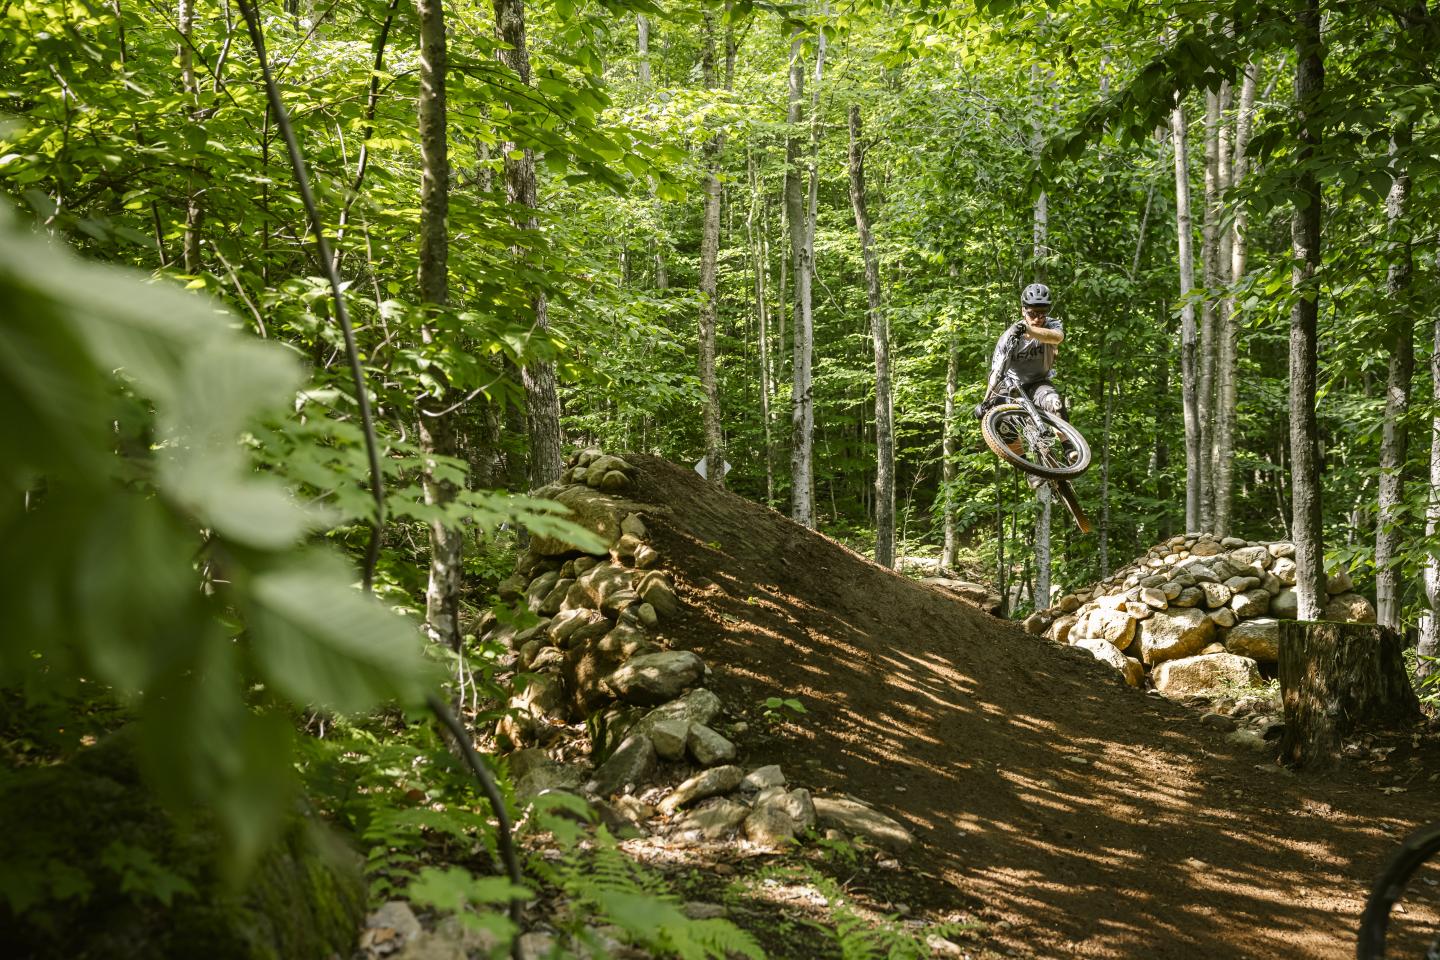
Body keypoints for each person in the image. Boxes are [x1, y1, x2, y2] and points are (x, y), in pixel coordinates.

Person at [977, 282, 1065, 419]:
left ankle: (1067, 441)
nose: (1037, 319)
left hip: (1039, 382)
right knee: (1000, 420)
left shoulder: (1051, 324)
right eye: (1032, 314)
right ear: (1023, 310)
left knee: (1056, 405)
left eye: (1042, 314)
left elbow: (1057, 338)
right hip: (1012, 385)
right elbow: (997, 372)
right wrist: (985, 401)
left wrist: (1029, 330)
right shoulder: (1010, 336)